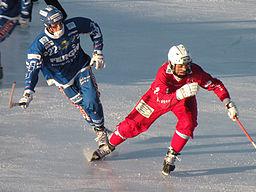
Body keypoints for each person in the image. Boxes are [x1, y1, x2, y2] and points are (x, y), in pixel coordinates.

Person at [89, 44, 239, 176]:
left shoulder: (194, 72)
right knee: (132, 124)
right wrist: (180, 93)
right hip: (158, 98)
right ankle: (108, 146)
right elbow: (161, 101)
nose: (185, 69)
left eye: (187, 64)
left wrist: (228, 103)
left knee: (188, 124)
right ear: (172, 65)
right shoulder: (163, 74)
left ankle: (172, 154)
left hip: (184, 100)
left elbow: (214, 84)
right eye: (181, 65)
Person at [19, 5, 109, 152]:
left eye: (60, 22)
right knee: (84, 106)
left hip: (81, 67)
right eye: (54, 25)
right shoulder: (38, 45)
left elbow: (93, 27)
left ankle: (101, 133)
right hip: (62, 79)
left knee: (91, 100)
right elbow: (32, 70)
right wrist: (28, 92)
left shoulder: (72, 25)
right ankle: (99, 127)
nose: (59, 27)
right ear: (47, 26)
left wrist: (98, 51)